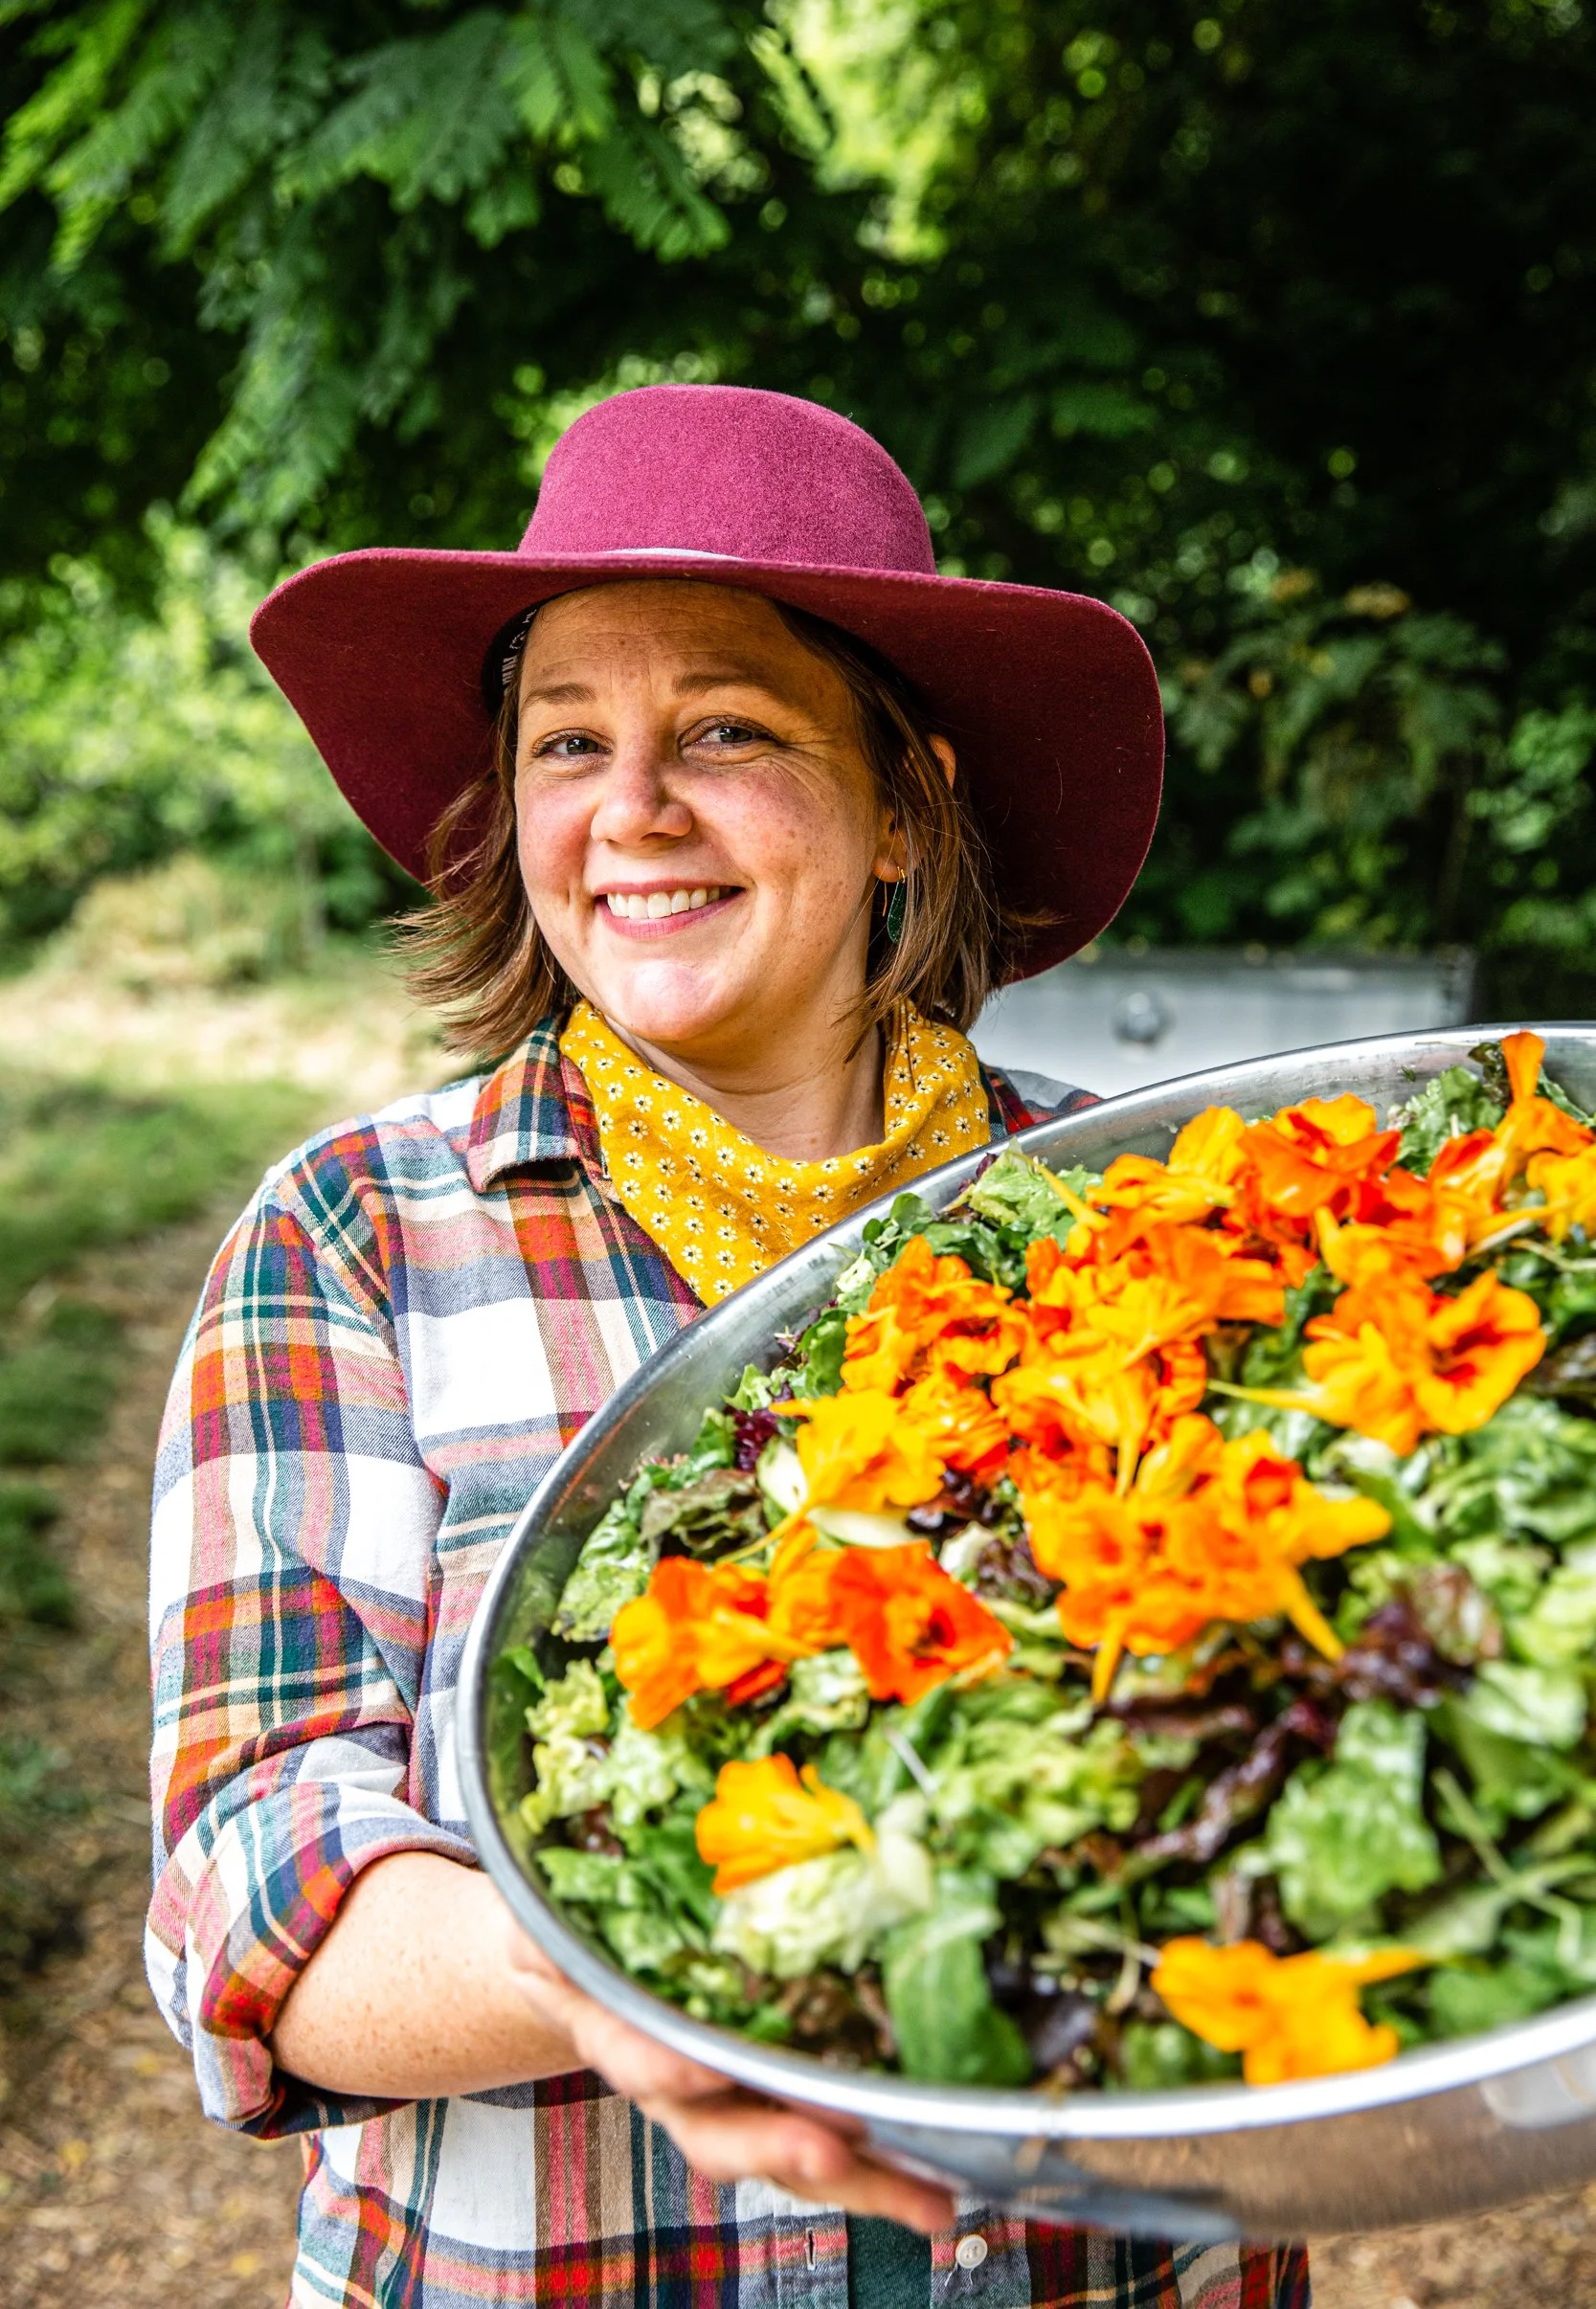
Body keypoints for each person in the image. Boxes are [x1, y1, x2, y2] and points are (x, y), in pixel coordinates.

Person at [146, 384, 1306, 2308]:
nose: (631, 809)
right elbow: (249, 1887)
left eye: (725, 731)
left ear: (897, 800)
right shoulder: (354, 1241)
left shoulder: (1141, 1221)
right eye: (566, 740)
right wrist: (602, 1975)